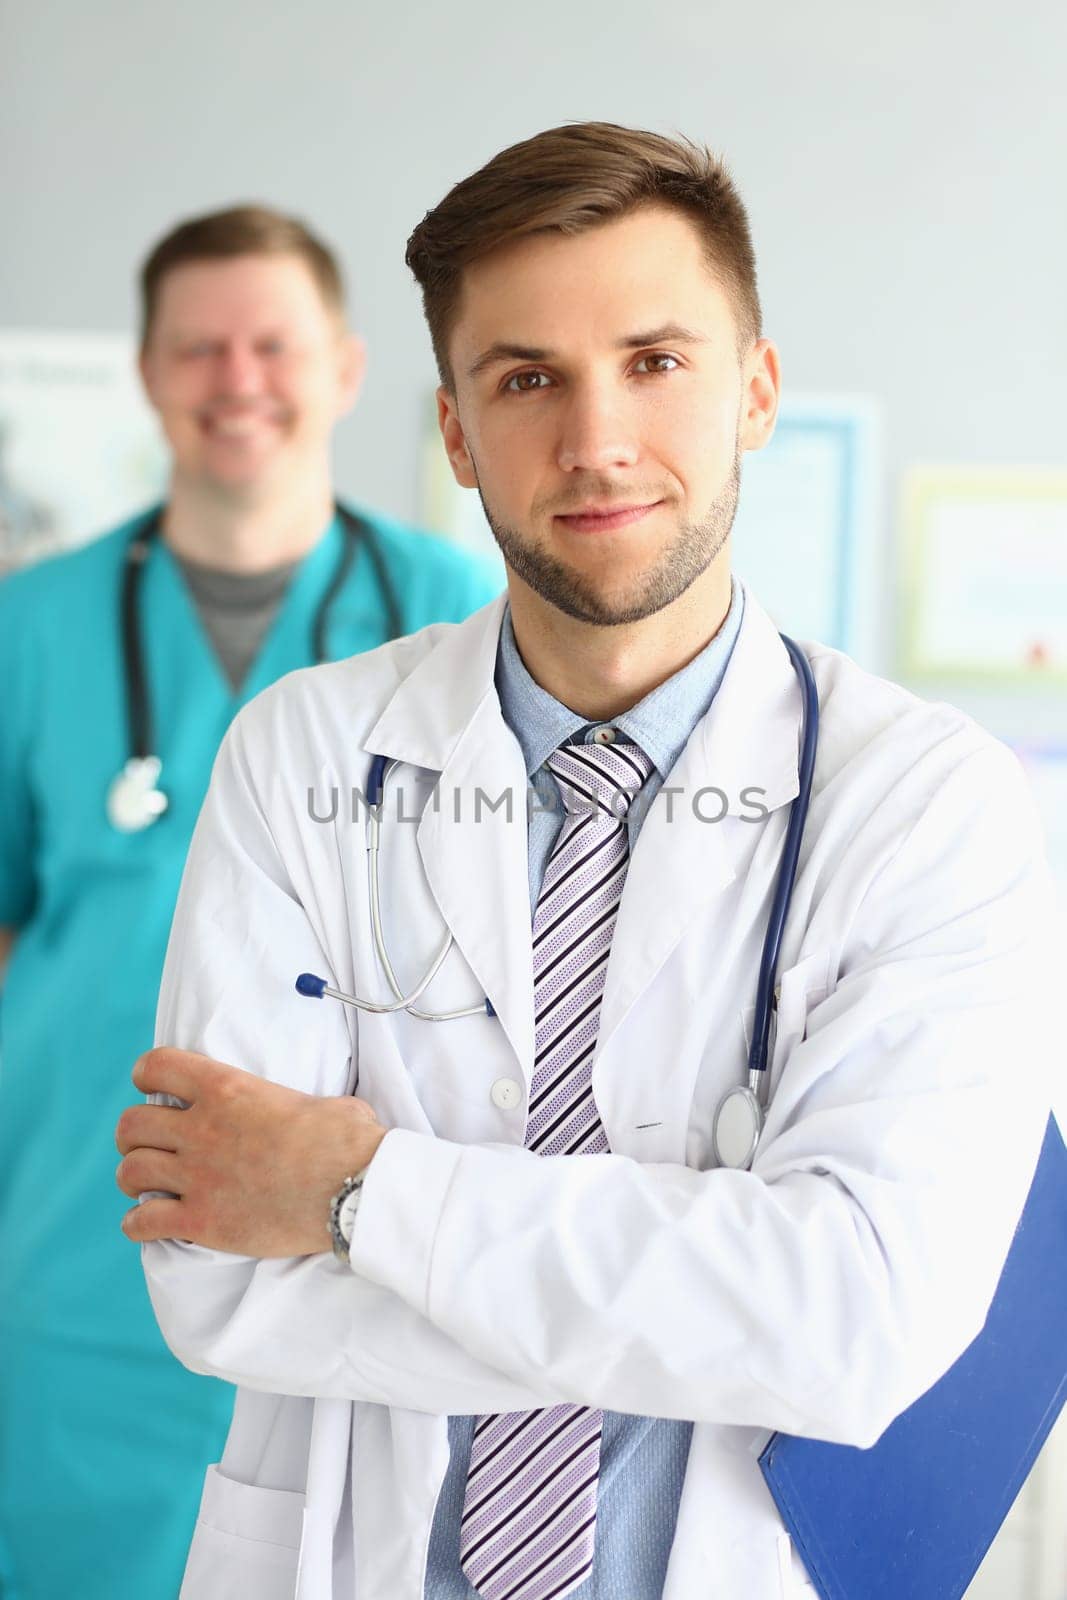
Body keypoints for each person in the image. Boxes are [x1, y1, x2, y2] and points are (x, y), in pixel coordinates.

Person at [116, 127, 1057, 1600]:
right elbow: (222, 1280)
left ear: (755, 389)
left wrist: (357, 1192)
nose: (596, 439)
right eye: (528, 378)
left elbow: (859, 1321)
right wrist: (702, 1292)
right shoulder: (300, 758)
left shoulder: (927, 805)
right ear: (454, 432)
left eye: (656, 361)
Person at [0, 204, 500, 1600]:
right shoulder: (28, 628)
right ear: (151, 371)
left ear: (342, 369)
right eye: (199, 347)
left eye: (272, 343)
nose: (238, 379)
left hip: (348, 1262)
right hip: (69, 1257)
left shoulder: (459, 614)